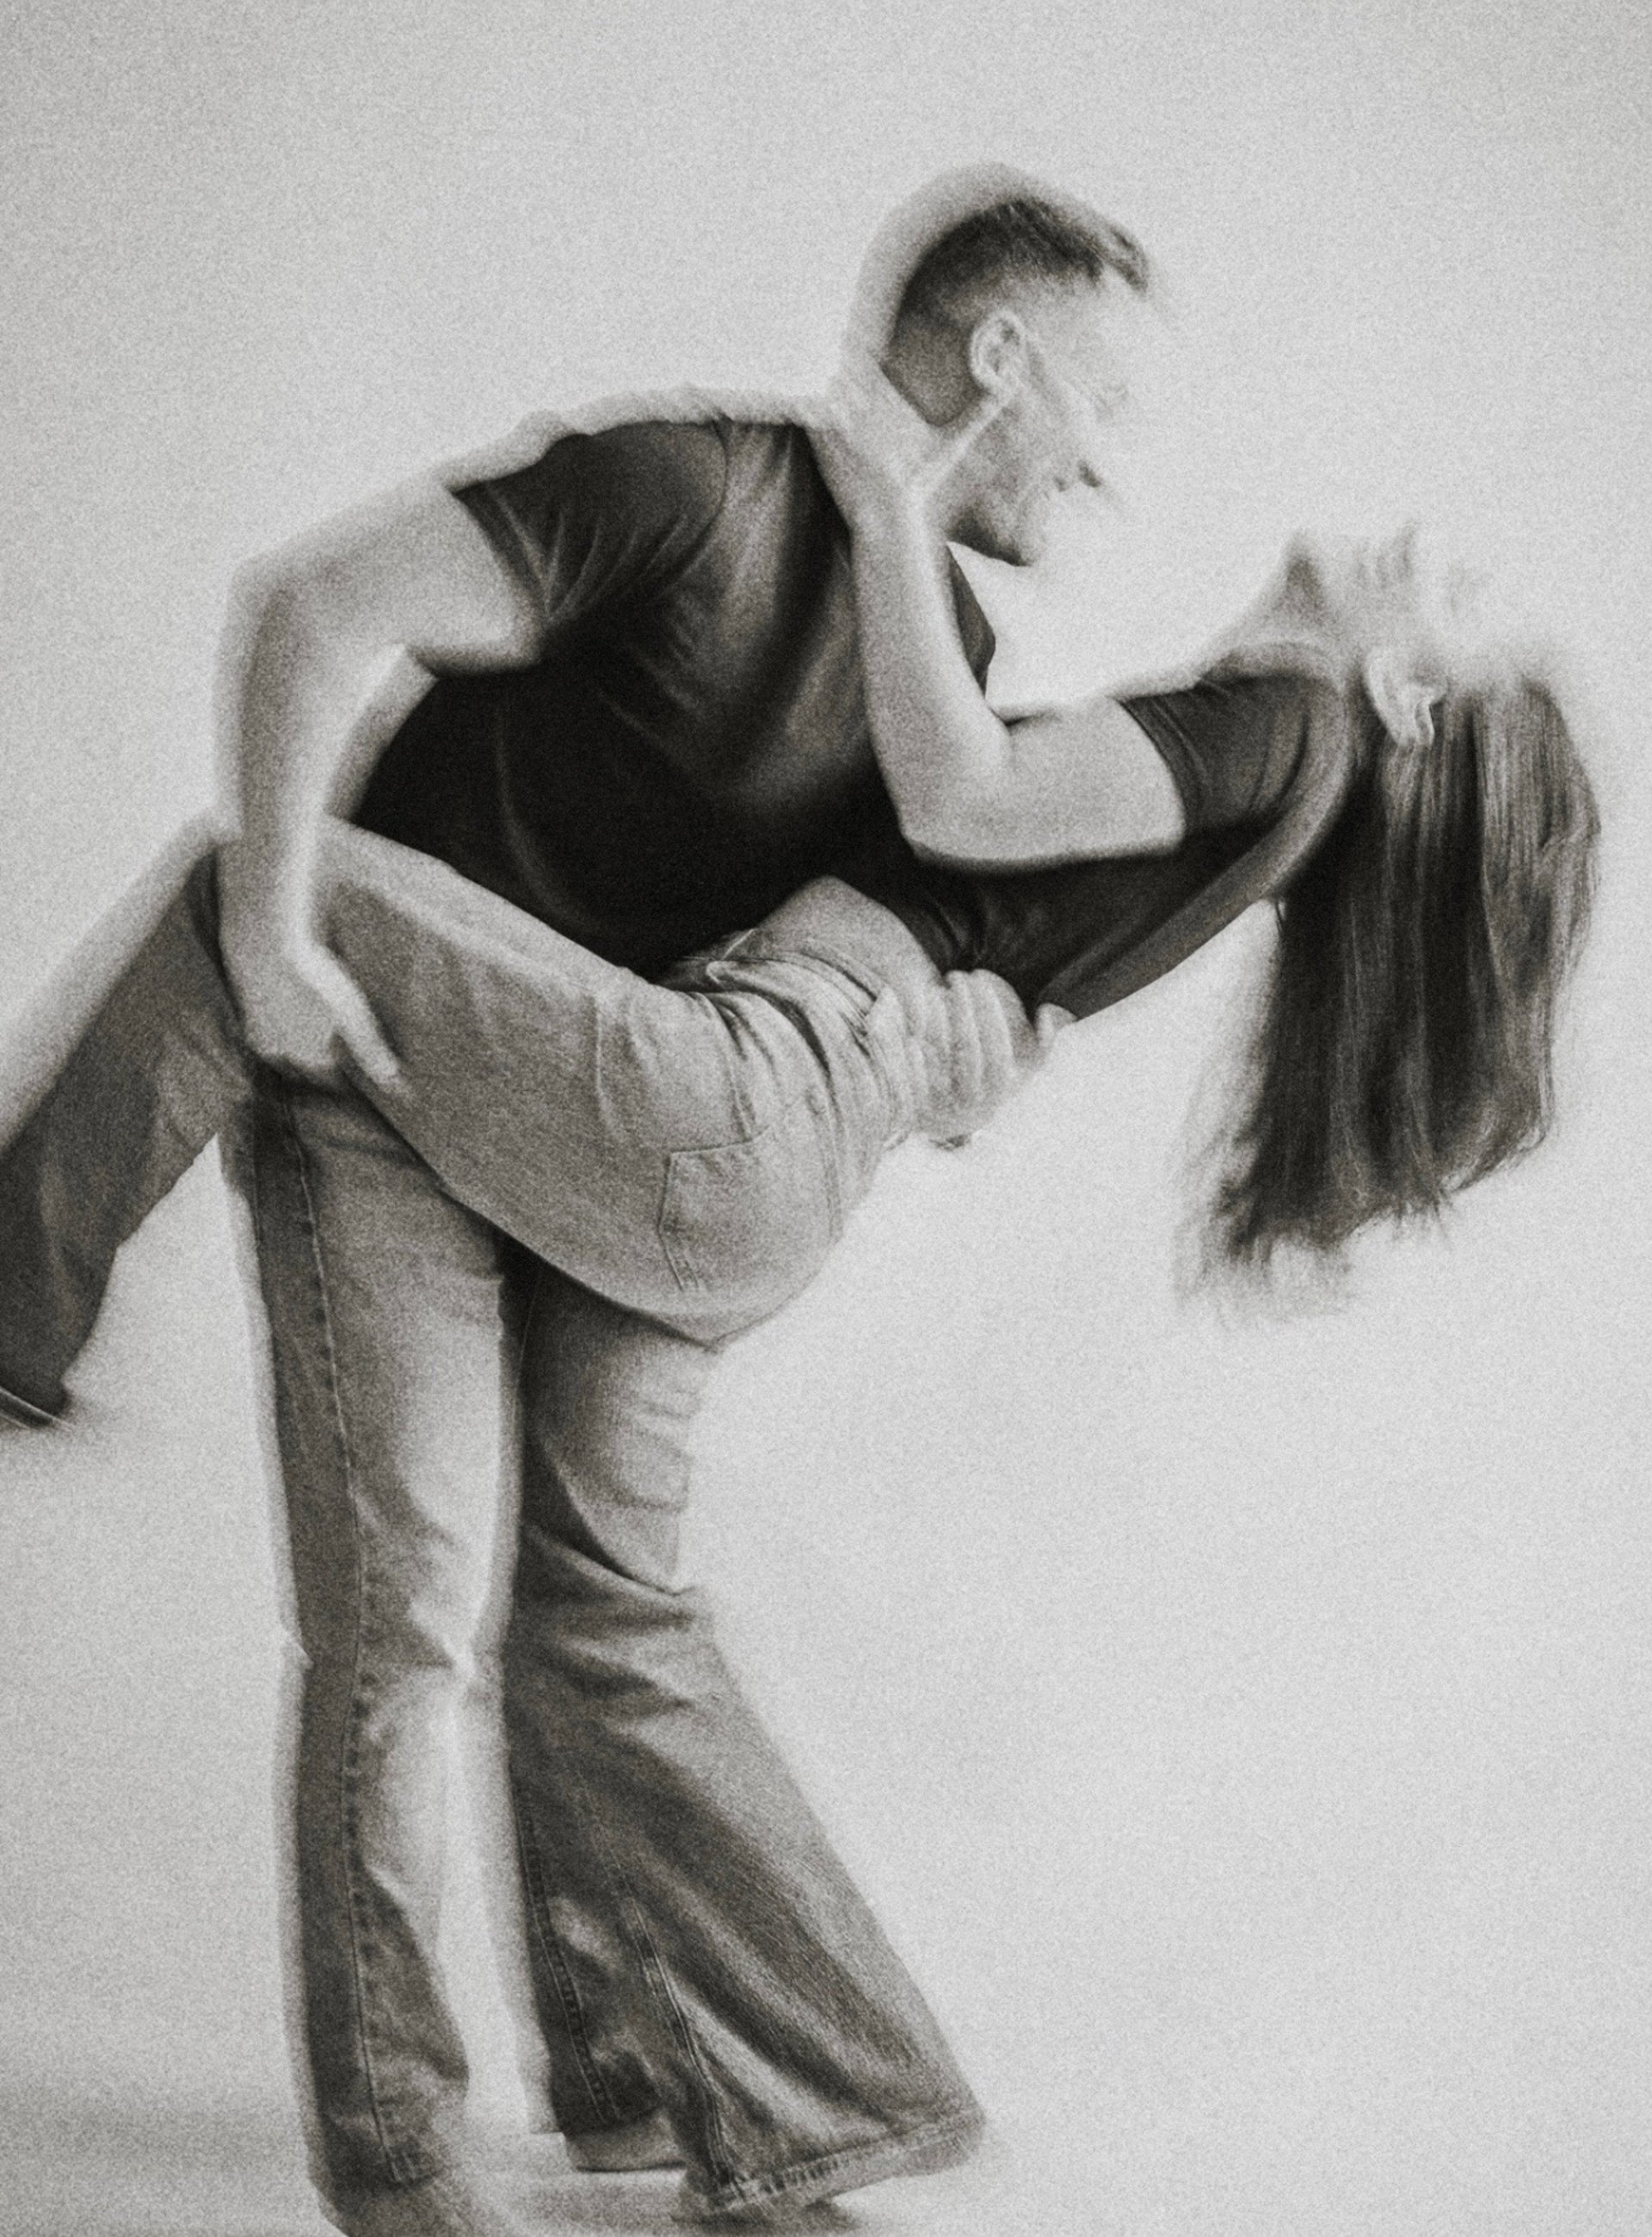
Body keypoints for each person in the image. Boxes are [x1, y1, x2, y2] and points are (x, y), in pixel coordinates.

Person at [0, 518, 1599, 2229]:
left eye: (1463, 592)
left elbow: (964, 797)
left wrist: (887, 496)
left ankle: (11, 1316)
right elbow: (993, 924)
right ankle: (725, 2105)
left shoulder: (1290, 720)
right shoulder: (1265, 775)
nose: (1437, 547)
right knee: (598, 1607)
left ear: (1409, 695)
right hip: (776, 1134)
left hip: (738, 1079)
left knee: (255, 884)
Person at [1, 176, 1165, 2237]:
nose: (1109, 465)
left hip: (605, 1123)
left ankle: (654, 2094)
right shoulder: (686, 489)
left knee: (601, 1612)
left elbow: (873, 934)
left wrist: (960, 1047)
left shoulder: (949, 660)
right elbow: (313, 605)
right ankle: (402, 2155)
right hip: (383, 1095)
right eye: (1102, 405)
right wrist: (274, 931)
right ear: (1002, 359)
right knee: (410, 1620)